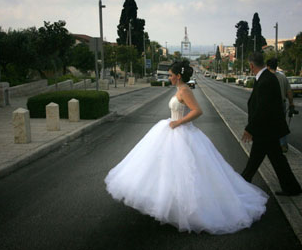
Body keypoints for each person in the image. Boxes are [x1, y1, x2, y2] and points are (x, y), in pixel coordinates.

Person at [105, 60, 268, 234]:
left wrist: (179, 122)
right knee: (165, 170)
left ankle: (187, 209)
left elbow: (197, 110)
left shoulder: (184, 90)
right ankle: (169, 204)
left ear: (178, 76)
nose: (169, 78)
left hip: (180, 130)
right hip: (171, 129)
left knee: (186, 172)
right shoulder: (179, 90)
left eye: (170, 75)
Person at [241, 53, 302, 196]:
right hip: (268, 130)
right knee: (275, 160)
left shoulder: (266, 80)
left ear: (251, 65)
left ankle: (241, 185)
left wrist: (250, 129)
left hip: (266, 130)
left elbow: (263, 108)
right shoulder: (265, 78)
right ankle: (292, 188)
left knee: (256, 162)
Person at [266, 58, 295, 153]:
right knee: (281, 124)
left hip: (269, 104)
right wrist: (291, 103)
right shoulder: (283, 77)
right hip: (281, 104)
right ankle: (283, 144)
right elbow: (289, 92)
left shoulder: (266, 77)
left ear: (268, 66)